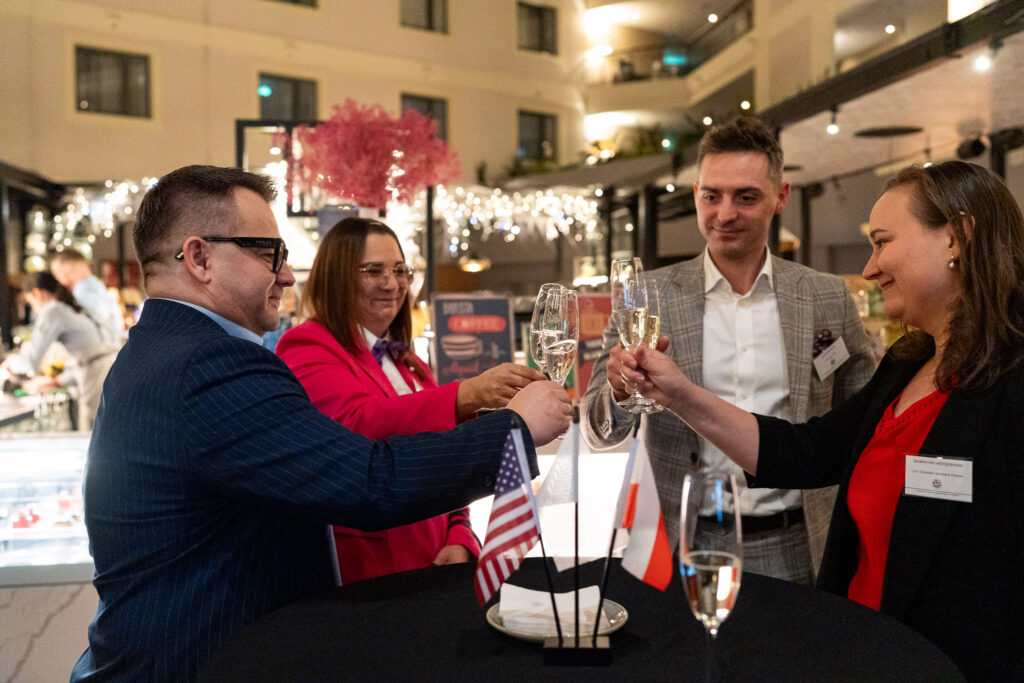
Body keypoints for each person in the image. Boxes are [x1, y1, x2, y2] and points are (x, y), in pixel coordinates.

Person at [70, 165, 571, 682]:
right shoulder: (210, 363)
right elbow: (369, 480)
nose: (287, 275)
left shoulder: (161, 347)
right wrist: (515, 428)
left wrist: (459, 530)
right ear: (199, 258)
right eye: (269, 253)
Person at [624, 160, 1024, 681]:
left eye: (882, 243)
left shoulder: (1011, 381)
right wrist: (676, 393)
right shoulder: (906, 365)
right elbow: (806, 452)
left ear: (956, 238)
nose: (871, 268)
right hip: (864, 648)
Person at [581, 117, 875, 584]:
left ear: (781, 197)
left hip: (800, 543)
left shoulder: (826, 296)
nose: (724, 213)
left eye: (746, 197)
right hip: (680, 542)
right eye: (711, 196)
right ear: (696, 193)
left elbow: (864, 420)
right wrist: (618, 391)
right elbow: (597, 431)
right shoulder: (648, 297)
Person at [276, 218, 546, 583]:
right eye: (374, 270)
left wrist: (459, 536)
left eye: (400, 270)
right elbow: (359, 424)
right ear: (337, 277)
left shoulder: (408, 361)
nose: (392, 283)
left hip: (433, 564)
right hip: (372, 569)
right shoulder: (307, 344)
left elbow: (445, 453)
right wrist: (466, 393)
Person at [0, 271, 115, 428]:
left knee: (92, 430)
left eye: (30, 303)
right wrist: (56, 382)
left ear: (37, 293)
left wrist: (9, 362)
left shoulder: (52, 311)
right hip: (105, 371)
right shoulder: (72, 308)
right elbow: (85, 359)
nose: (34, 309)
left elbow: (32, 362)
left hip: (95, 377)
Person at [50, 248, 124, 348]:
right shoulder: (99, 287)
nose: (57, 278)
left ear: (69, 268)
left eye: (56, 273)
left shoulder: (82, 295)